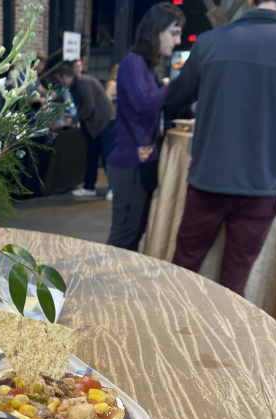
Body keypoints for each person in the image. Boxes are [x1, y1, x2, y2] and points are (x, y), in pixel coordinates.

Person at [164, 0, 276, 297]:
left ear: (249, 1)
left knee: (184, 265)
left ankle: (166, 333)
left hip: (209, 174)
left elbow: (177, 96)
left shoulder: (211, 41)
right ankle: (222, 340)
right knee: (235, 279)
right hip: (262, 179)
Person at [106, 3, 183, 250]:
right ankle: (104, 286)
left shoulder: (146, 66)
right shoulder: (133, 61)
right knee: (124, 236)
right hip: (130, 163)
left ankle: (115, 285)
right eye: (173, 32)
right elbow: (145, 103)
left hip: (140, 162)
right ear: (156, 30)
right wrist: (179, 83)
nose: (177, 40)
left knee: (134, 233)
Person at [55, 61, 115, 197]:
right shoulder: (75, 85)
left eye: (60, 80)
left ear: (64, 76)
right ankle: (89, 187)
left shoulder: (83, 82)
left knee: (107, 156)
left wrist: (74, 120)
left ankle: (114, 189)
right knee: (91, 156)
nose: (60, 83)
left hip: (104, 122)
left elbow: (89, 106)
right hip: (93, 125)